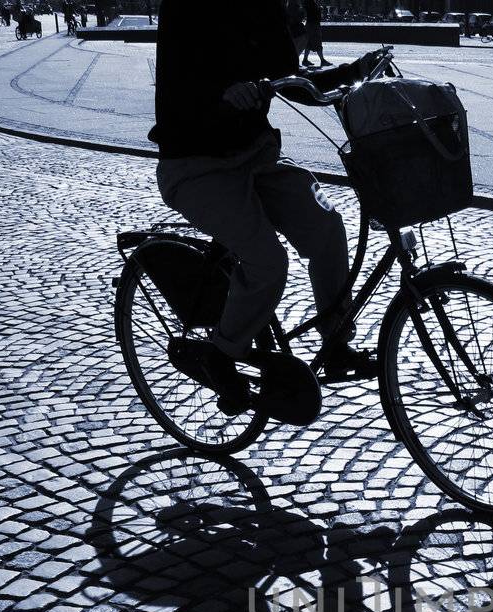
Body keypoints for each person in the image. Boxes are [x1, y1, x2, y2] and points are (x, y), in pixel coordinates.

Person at [149, 0, 373, 420]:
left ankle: (336, 342)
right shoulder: (184, 8)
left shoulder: (264, 6)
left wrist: (354, 71)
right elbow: (178, 88)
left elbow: (291, 78)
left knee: (326, 226)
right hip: (195, 164)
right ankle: (221, 353)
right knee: (267, 260)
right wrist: (223, 96)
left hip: (256, 155)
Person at [300, 0, 328, 67]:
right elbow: (315, 14)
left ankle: (305, 60)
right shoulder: (311, 3)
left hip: (310, 24)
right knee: (317, 41)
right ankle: (322, 60)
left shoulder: (310, 3)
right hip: (314, 25)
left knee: (309, 43)